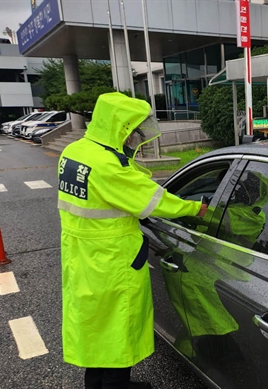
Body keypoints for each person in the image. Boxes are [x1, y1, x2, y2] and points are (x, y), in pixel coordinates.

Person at [57, 92, 207, 389]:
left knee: (96, 334)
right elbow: (152, 201)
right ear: (119, 126)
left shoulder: (76, 151)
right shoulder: (109, 165)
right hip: (112, 263)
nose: (136, 135)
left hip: (82, 258)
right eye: (132, 128)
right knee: (117, 336)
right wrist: (195, 208)